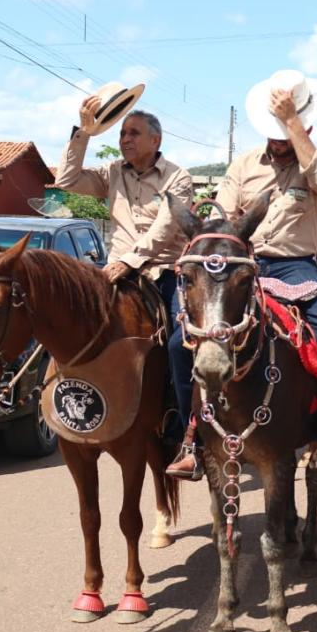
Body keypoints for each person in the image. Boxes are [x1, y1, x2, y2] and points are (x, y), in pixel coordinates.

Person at [214, 86, 317, 473]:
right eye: (274, 129)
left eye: (286, 131)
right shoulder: (244, 165)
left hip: (294, 265)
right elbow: (223, 215)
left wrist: (292, 121)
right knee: (186, 338)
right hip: (243, 263)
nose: (278, 139)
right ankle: (191, 435)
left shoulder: (314, 165)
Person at [54, 102, 199, 478]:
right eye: (122, 134)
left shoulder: (177, 178)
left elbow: (165, 228)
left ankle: (185, 427)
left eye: (133, 133)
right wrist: (84, 133)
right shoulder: (110, 172)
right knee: (68, 328)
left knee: (182, 343)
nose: (125, 140)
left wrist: (131, 260)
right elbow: (67, 180)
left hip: (163, 270)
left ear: (156, 139)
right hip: (114, 272)